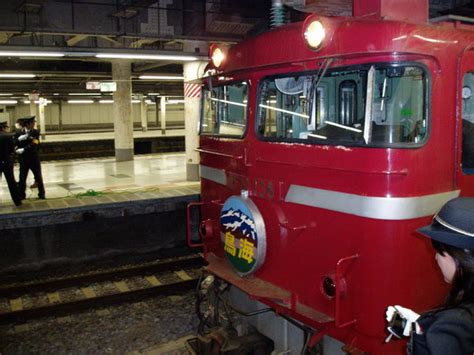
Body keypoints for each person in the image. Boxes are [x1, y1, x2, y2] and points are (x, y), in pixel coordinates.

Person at [386, 197, 474, 354]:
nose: (436, 258)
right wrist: (419, 327)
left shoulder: (450, 329)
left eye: (440, 252)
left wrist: (431, 335)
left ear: (460, 256)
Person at [15, 116, 45, 200]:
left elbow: (35, 143)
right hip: (23, 159)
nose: (34, 124)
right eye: (33, 123)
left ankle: (42, 194)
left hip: (33, 158)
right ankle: (21, 195)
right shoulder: (18, 133)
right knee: (22, 177)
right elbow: (14, 143)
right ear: (27, 124)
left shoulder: (35, 132)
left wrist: (24, 149)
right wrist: (18, 141)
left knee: (38, 177)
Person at [0, 121, 22, 206]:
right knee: (11, 182)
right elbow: (12, 150)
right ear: (2, 128)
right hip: (6, 162)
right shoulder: (7, 136)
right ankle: (17, 201)